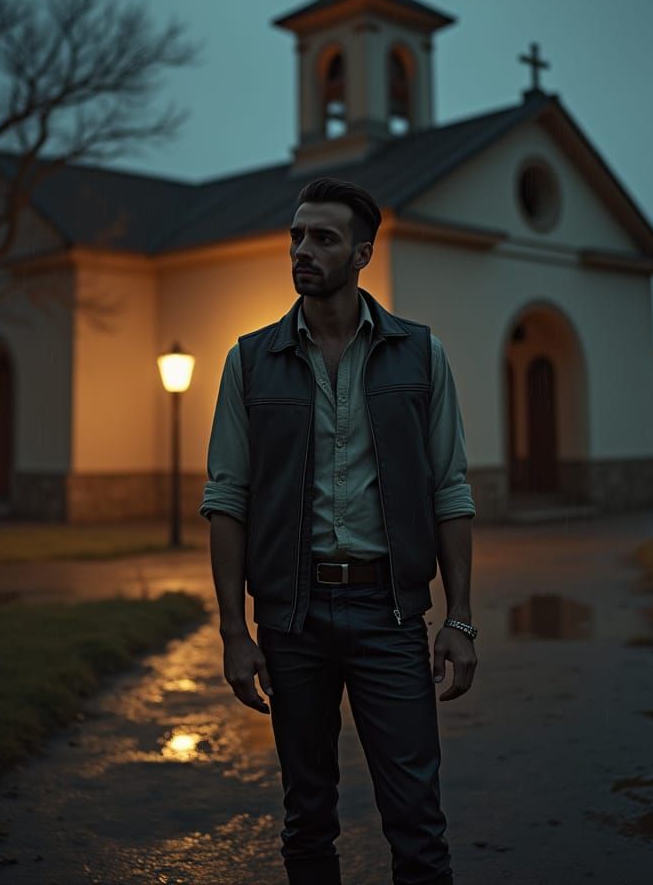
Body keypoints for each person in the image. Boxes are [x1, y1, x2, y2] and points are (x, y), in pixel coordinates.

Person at [199, 176, 478, 885]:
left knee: (417, 820)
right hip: (293, 621)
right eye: (296, 236)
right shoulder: (249, 361)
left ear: (361, 254)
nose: (302, 250)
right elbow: (226, 499)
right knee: (307, 819)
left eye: (322, 238)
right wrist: (235, 630)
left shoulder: (420, 356)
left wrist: (461, 620)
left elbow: (450, 489)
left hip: (389, 614)